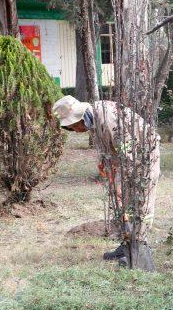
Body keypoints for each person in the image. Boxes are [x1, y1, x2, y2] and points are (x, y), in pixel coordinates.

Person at [52, 95, 161, 263]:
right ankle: (127, 245)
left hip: (144, 154)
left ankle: (138, 250)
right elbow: (109, 147)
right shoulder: (94, 116)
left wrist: (123, 182)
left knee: (140, 200)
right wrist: (106, 164)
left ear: (82, 116)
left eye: (75, 125)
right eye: (71, 127)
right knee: (126, 202)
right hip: (127, 156)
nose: (76, 130)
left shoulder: (108, 120)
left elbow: (129, 154)